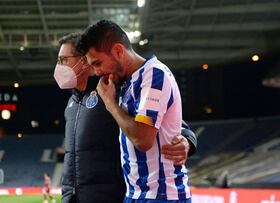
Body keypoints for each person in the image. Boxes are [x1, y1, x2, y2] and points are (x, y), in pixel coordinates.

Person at [54, 33, 197, 203]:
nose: (59, 66)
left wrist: (188, 140)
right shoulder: (72, 103)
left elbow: (163, 118)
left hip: (109, 196)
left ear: (83, 61)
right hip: (74, 197)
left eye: (63, 59)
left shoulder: (112, 90)